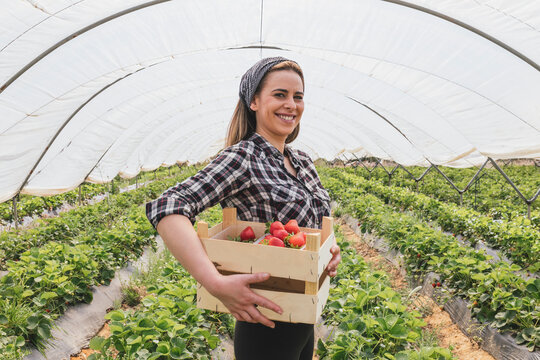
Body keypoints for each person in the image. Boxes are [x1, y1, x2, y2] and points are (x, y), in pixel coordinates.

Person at [146, 56, 341, 360]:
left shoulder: (302, 162)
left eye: (298, 96)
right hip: (264, 322)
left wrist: (331, 249)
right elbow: (167, 206)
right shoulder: (243, 158)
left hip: (304, 318)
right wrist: (214, 282)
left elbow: (316, 220)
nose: (291, 104)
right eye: (280, 95)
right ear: (254, 102)